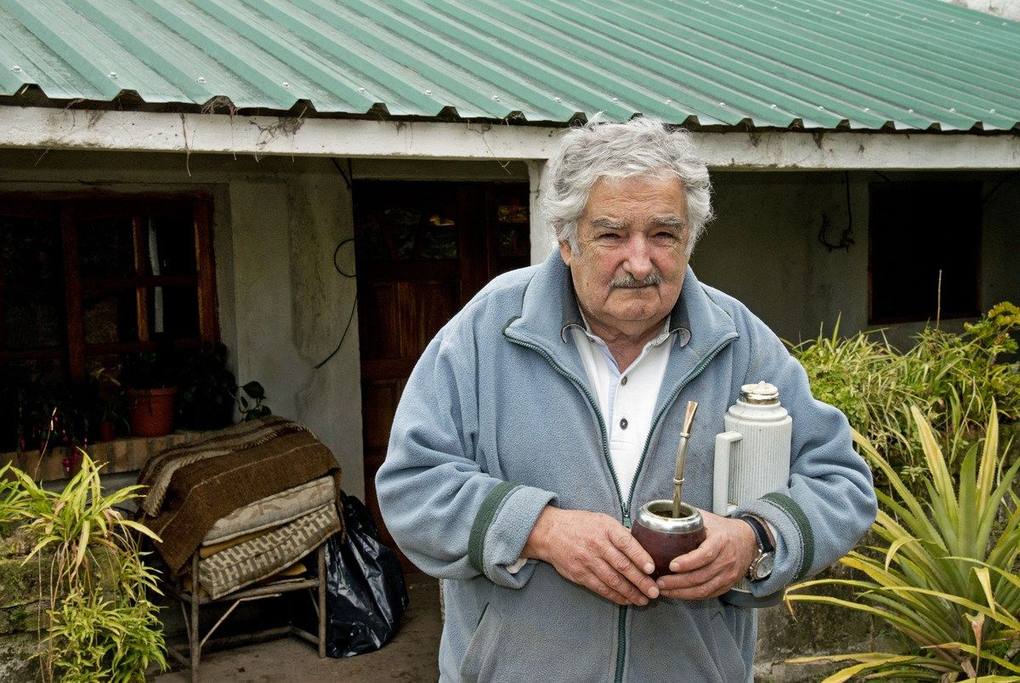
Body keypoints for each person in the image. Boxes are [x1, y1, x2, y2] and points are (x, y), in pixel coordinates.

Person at [376, 117, 877, 682]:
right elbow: (412, 486)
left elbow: (841, 482)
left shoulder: (738, 341)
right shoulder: (488, 330)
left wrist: (755, 538)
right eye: (612, 235)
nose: (640, 263)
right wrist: (541, 531)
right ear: (566, 241)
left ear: (690, 238)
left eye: (664, 235)